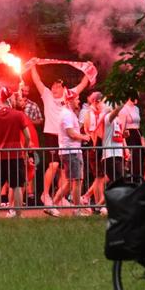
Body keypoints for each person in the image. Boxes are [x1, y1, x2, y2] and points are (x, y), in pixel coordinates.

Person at [30, 64, 90, 206]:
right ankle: (44, 194)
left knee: (64, 168)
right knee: (54, 165)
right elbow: (37, 80)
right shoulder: (47, 95)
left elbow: (83, 84)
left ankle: (60, 196)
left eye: (58, 86)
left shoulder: (69, 96)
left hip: (64, 137)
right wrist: (33, 66)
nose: (54, 89)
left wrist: (88, 69)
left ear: (64, 89)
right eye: (53, 86)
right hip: (51, 133)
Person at [0, 89, 32, 218]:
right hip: (15, 155)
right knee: (16, 186)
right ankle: (18, 214)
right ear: (10, 99)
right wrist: (25, 150)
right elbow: (28, 137)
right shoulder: (18, 115)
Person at [45, 89, 91, 217]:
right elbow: (71, 133)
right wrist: (84, 137)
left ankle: (53, 205)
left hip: (71, 151)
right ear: (70, 100)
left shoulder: (68, 113)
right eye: (76, 99)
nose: (79, 101)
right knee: (76, 181)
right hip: (71, 151)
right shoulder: (66, 114)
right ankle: (76, 210)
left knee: (72, 181)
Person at [119, 91, 145, 177]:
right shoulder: (123, 109)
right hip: (129, 135)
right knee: (134, 161)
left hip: (138, 133)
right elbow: (122, 129)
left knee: (141, 159)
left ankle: (139, 180)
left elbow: (139, 124)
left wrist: (142, 139)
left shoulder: (137, 109)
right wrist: (125, 147)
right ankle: (133, 181)